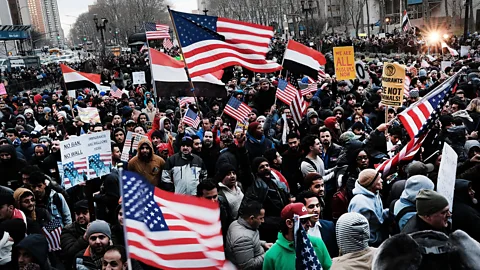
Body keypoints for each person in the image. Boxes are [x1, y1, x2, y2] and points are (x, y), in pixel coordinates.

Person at [263, 203, 332, 270]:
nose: (309, 224)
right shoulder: (272, 255)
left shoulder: (317, 243)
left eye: (309, 219)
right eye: (303, 220)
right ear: (289, 223)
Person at [243, 157, 289, 243]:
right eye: (261, 167)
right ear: (256, 171)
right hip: (269, 228)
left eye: (267, 165)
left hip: (281, 224)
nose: (266, 168)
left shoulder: (277, 183)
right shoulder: (256, 188)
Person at [348, 169, 389, 247]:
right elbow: (358, 230)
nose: (381, 181)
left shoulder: (375, 194)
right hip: (370, 244)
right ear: (371, 183)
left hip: (378, 240)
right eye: (378, 179)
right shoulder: (359, 202)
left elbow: (377, 216)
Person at [225, 200, 270, 270]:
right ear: (251, 218)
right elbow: (248, 266)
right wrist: (268, 254)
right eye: (261, 218)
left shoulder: (236, 223)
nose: (263, 221)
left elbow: (250, 241)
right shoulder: (242, 239)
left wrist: (263, 244)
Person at [297, 191, 338, 258]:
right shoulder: (298, 230)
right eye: (311, 206)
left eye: (317, 205)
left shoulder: (329, 226)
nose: (316, 209)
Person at [61, 200, 90, 270]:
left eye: (84, 213)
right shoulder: (68, 230)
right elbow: (69, 252)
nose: (80, 216)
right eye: (78, 213)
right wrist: (85, 238)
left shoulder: (100, 225)